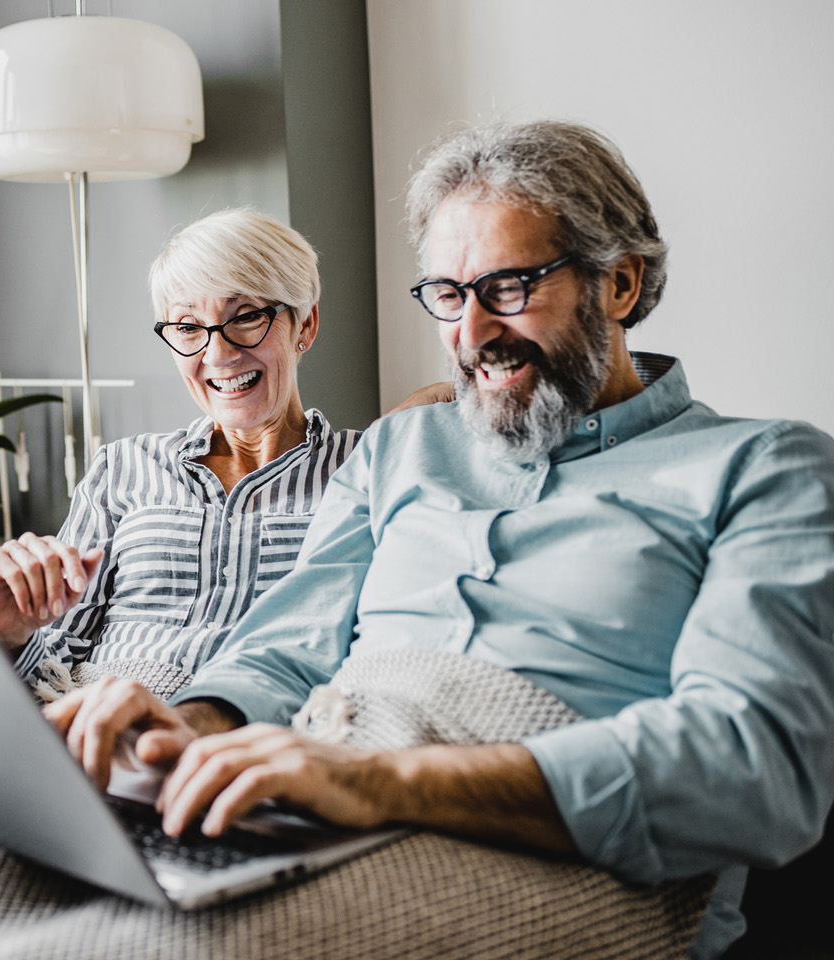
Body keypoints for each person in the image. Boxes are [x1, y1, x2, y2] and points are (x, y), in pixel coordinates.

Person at [45, 121, 834, 958]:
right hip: (322, 801)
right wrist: (186, 726)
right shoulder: (401, 448)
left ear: (621, 284)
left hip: (549, 862)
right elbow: (285, 650)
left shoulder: (765, 468)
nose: (472, 332)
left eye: (508, 287)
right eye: (449, 296)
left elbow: (757, 769)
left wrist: (381, 781)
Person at [0, 208, 443, 699]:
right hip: (93, 719)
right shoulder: (124, 467)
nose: (218, 355)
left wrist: (415, 428)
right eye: (187, 327)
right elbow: (54, 659)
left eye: (245, 317)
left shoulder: (367, 468)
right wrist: (9, 635)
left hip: (258, 736)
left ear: (304, 325)